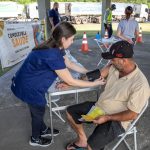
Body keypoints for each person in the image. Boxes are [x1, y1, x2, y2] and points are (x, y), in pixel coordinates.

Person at [11, 22, 105, 147]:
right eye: (71, 39)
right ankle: (35, 138)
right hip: (28, 86)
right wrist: (93, 84)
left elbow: (70, 64)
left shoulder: (55, 46)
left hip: (29, 81)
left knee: (39, 110)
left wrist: (88, 72)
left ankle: (42, 129)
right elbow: (71, 81)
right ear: (63, 39)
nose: (72, 41)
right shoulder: (52, 54)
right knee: (38, 110)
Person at [66, 40, 150, 150]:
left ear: (123, 60)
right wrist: (70, 81)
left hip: (117, 120)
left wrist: (107, 117)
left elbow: (132, 114)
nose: (111, 61)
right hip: (99, 108)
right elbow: (96, 75)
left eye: (113, 59)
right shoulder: (114, 67)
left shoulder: (140, 84)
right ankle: (82, 141)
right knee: (70, 112)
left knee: (92, 146)